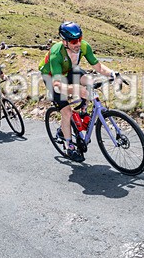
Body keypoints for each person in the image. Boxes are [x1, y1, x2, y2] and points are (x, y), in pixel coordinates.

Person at [40, 22, 116, 162]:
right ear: (65, 42)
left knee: (90, 81)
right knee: (67, 112)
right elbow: (57, 85)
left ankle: (83, 109)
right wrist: (75, 89)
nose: (78, 44)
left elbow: (98, 66)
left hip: (69, 71)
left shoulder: (84, 46)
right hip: (52, 77)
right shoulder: (57, 53)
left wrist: (113, 73)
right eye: (74, 41)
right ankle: (69, 146)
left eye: (80, 39)